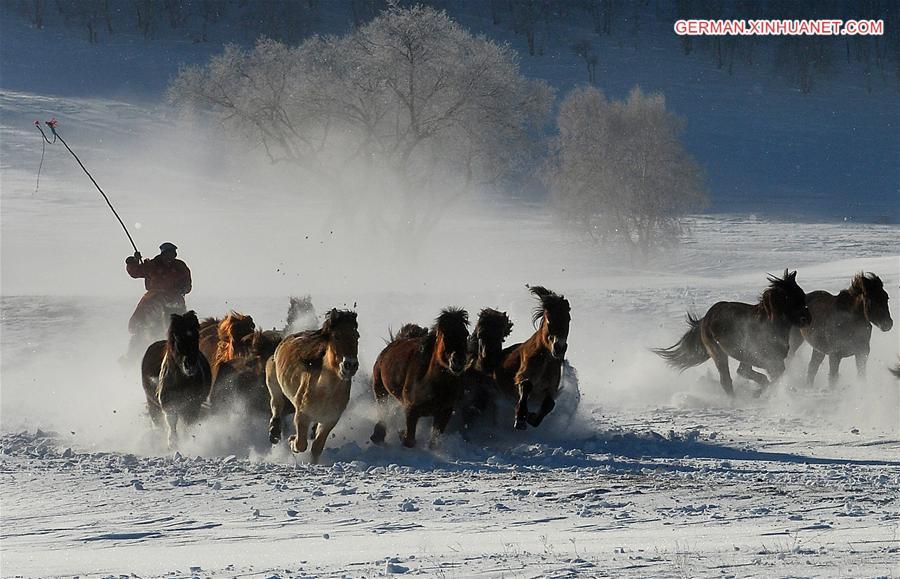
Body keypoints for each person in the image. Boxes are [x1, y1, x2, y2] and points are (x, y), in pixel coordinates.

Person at [124, 242, 192, 360]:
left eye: (171, 254)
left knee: (183, 330)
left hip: (172, 301)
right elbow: (135, 272)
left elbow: (187, 286)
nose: (169, 256)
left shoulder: (179, 266)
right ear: (163, 254)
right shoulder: (153, 265)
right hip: (154, 301)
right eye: (167, 253)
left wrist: (182, 289)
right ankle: (132, 356)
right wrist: (133, 261)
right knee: (139, 326)